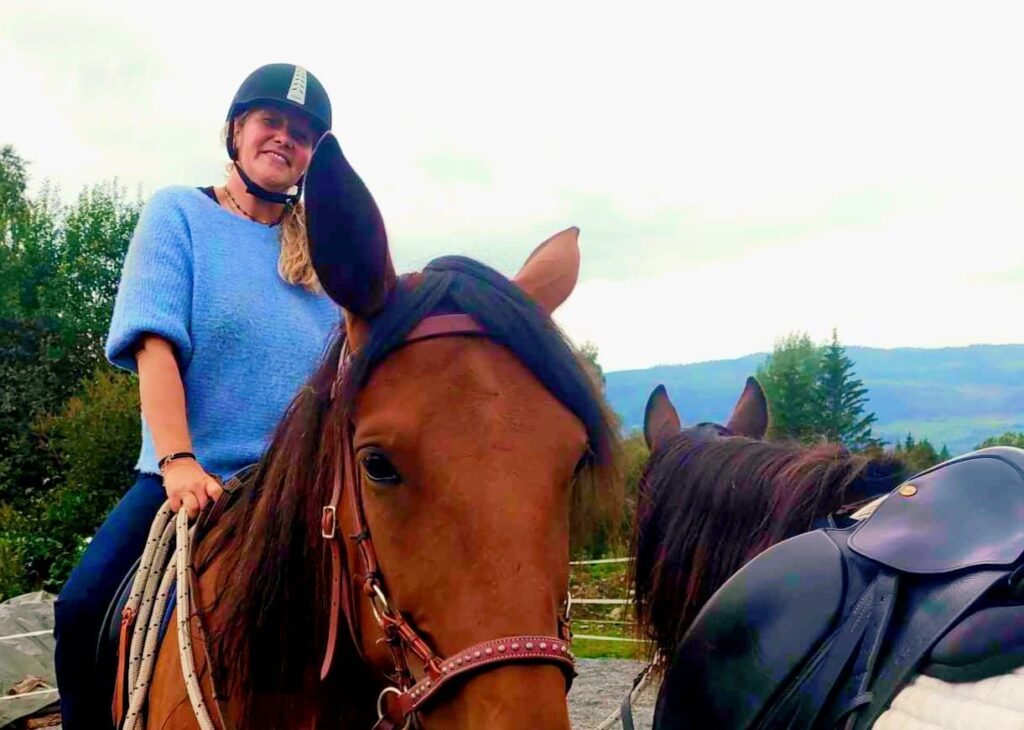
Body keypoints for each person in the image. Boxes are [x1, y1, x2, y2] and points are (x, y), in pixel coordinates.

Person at [53, 63, 341, 729]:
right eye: (271, 121)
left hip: (300, 491)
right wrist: (178, 460)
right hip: (193, 479)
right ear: (236, 131)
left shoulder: (326, 256)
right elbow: (155, 345)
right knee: (82, 609)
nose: (284, 138)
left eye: (302, 134)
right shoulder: (179, 214)